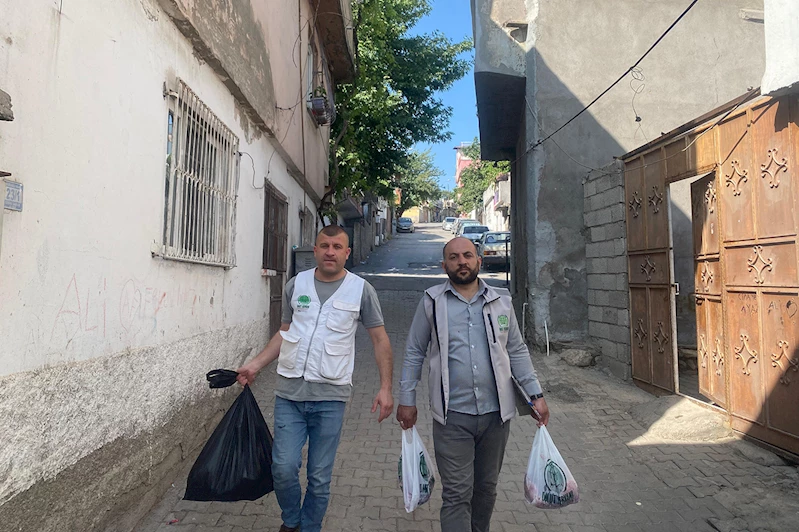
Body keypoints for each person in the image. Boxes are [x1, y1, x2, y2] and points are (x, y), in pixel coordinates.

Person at [237, 225, 394, 532]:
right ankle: (291, 521)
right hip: (289, 395)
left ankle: (310, 527)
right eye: (324, 246)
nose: (330, 252)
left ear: (347, 253)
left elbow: (380, 340)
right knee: (283, 467)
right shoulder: (297, 284)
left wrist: (385, 387)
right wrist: (255, 365)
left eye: (337, 247)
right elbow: (285, 332)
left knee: (319, 477)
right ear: (316, 249)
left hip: (330, 398)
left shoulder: (361, 290)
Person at [396, 237, 549, 532]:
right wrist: (407, 398)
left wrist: (536, 394)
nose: (461, 262)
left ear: (479, 260)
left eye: (467, 255)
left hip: (496, 416)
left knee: (486, 489)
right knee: (457, 493)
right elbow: (415, 351)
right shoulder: (432, 302)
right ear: (444, 266)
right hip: (452, 417)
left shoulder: (501, 301)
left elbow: (517, 350)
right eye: (453, 257)